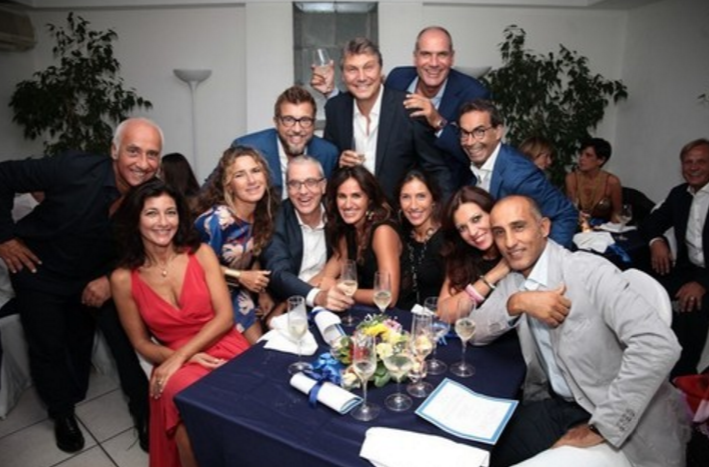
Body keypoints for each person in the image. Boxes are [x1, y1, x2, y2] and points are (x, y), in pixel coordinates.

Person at [474, 195, 686, 467]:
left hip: (615, 416)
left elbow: (659, 346)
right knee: (484, 452)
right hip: (559, 404)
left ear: (543, 228)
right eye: (499, 232)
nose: (510, 242)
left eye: (519, 227)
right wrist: (515, 303)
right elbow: (474, 331)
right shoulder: (515, 281)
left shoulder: (588, 271)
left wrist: (602, 427)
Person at [0, 118, 157, 453]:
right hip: (39, 271)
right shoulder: (72, 168)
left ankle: (144, 414)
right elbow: (3, 175)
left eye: (152, 154)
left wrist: (109, 280)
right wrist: (5, 238)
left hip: (100, 275)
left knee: (128, 341)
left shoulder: (151, 194)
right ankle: (62, 415)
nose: (143, 163)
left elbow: (148, 248)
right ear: (114, 150)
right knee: (48, 347)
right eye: (133, 151)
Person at [111, 179, 249, 467]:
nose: (163, 222)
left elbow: (225, 317)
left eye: (170, 212)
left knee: (239, 415)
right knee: (186, 418)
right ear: (135, 219)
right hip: (173, 359)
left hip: (220, 343)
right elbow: (140, 342)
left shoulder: (201, 253)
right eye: (152, 213)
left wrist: (182, 356)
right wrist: (177, 359)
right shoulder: (123, 279)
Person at [320, 37, 455, 202]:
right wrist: (339, 164)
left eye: (368, 67)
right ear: (343, 76)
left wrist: (445, 214)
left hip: (398, 214)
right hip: (352, 213)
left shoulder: (409, 108)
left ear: (380, 71)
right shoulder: (335, 109)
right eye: (352, 69)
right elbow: (327, 169)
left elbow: (435, 170)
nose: (361, 77)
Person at [457, 99, 577, 247]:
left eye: (479, 132)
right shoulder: (468, 165)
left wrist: (546, 258)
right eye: (465, 133)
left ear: (498, 132)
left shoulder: (520, 175)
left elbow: (565, 214)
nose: (469, 142)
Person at [194, 146, 278, 344]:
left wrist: (262, 291)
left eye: (256, 171)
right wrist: (241, 277)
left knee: (263, 348)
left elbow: (253, 256)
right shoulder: (216, 221)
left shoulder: (262, 213)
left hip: (239, 295)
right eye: (240, 175)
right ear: (228, 185)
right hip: (209, 302)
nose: (251, 180)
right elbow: (196, 267)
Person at [641, 138, 709, 378]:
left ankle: (684, 376)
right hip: (688, 269)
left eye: (701, 162)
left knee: (693, 307)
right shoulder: (679, 194)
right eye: (688, 162)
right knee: (641, 287)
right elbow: (650, 222)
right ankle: (648, 360)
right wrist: (656, 242)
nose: (693, 167)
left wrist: (702, 283)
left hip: (705, 276)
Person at [229, 86, 339, 199]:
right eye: (288, 120)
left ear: (314, 124)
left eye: (305, 120)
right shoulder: (248, 148)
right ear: (276, 122)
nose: (297, 129)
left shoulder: (328, 154)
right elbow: (220, 192)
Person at [261, 156, 338, 314]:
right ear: (288, 189)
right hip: (289, 306)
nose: (303, 191)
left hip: (332, 298)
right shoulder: (274, 219)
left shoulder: (338, 213)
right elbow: (278, 272)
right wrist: (316, 296)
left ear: (323, 186)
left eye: (311, 182)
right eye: (294, 184)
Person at [324, 166, 406, 311]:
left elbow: (388, 297)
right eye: (342, 196)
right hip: (363, 312)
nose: (348, 204)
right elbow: (325, 277)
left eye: (356, 196)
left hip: (396, 316)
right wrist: (291, 300)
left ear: (369, 199)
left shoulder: (382, 232)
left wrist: (341, 289)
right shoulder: (349, 230)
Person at [436, 186, 509, 321]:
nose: (472, 232)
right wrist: (494, 274)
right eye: (462, 228)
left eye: (476, 219)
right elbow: (443, 313)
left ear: (492, 212)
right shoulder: (462, 256)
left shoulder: (514, 250)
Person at [395, 170, 446, 308]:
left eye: (421, 196)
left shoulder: (446, 240)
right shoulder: (399, 235)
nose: (413, 206)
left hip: (436, 317)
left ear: (433, 200)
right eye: (406, 197)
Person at [565, 138, 622, 222]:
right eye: (581, 154)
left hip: (602, 226)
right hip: (577, 223)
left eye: (588, 155)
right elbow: (570, 209)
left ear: (601, 160)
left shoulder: (612, 182)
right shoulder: (572, 178)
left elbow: (617, 212)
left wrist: (611, 228)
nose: (581, 158)